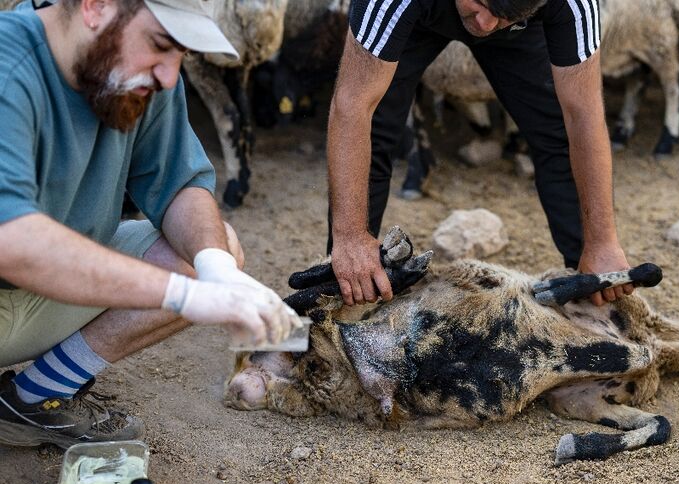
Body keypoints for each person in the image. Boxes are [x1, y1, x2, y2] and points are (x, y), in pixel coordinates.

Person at [0, 0, 301, 449]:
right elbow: (14, 241)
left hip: (37, 295)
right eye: (161, 44)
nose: (170, 75)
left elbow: (180, 183)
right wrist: (181, 296)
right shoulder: (10, 66)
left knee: (212, 251)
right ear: (95, 7)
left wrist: (215, 270)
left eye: (180, 53)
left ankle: (33, 397)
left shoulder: (139, 76)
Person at [327, 0, 635, 307]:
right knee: (375, 128)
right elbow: (353, 104)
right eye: (481, 2)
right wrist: (349, 236)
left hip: (518, 27)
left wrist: (602, 241)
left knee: (558, 135)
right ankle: (348, 281)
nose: (484, 25)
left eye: (498, 17)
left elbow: (584, 116)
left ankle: (589, 283)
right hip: (419, 15)